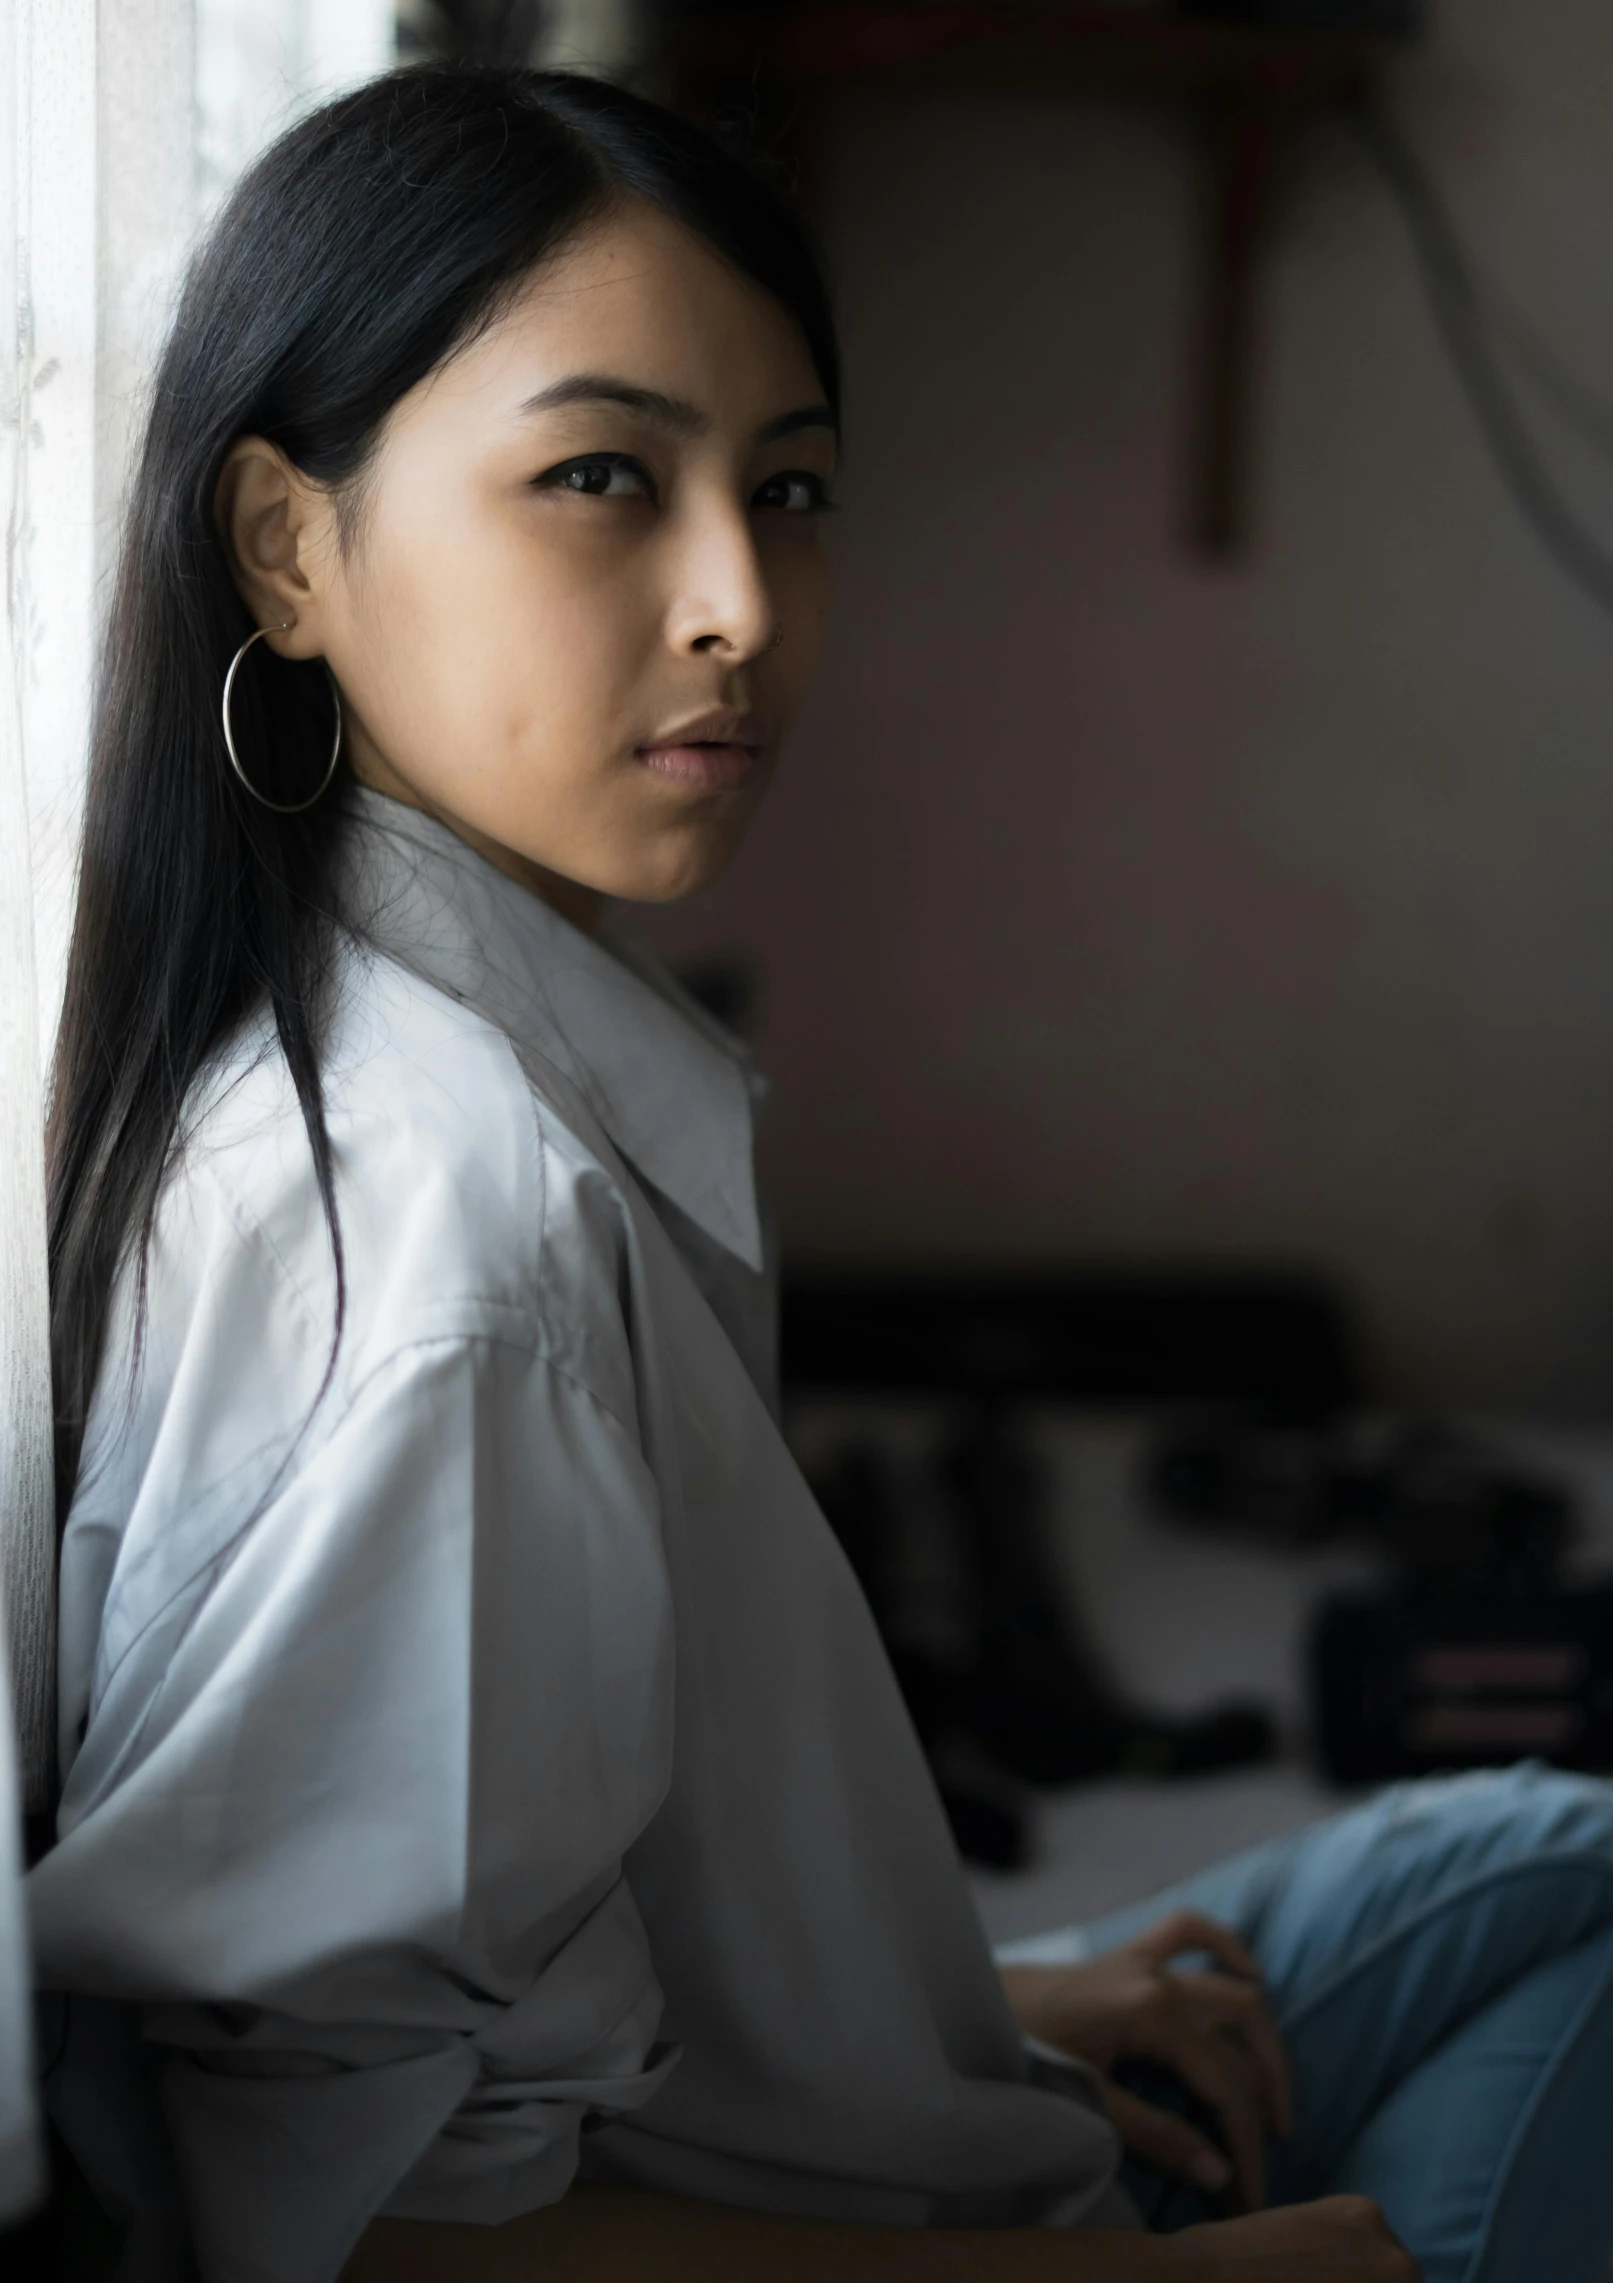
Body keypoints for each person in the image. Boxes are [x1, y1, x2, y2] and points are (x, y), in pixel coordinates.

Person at [26, 62, 1613, 2283]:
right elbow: (370, 2238)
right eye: (599, 475)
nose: (739, 605)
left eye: (788, 490)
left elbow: (539, 1949)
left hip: (855, 2127)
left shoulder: (388, 1049)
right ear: (289, 546)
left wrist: (979, 1998)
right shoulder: (450, 1243)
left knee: (1558, 1859)